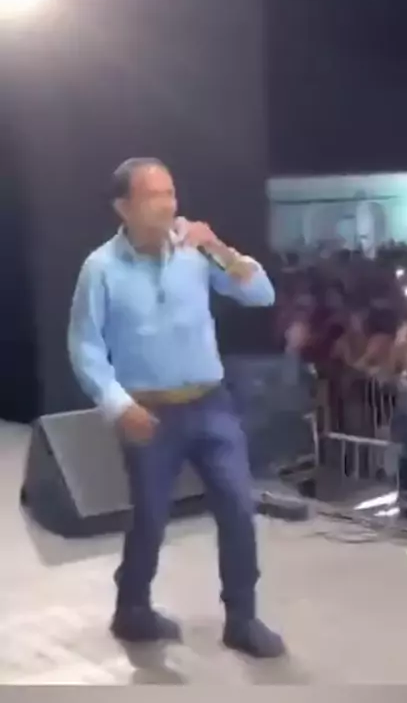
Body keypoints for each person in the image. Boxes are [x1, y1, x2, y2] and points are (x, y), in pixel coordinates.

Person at [68, 157, 285, 659]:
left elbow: (261, 294)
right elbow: (85, 346)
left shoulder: (195, 252)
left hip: (212, 405)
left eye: (170, 193)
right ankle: (132, 607)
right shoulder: (100, 268)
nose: (167, 205)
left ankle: (242, 618)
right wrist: (117, 404)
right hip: (149, 413)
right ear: (123, 207)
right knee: (151, 517)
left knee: (238, 506)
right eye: (153, 196)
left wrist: (218, 246)